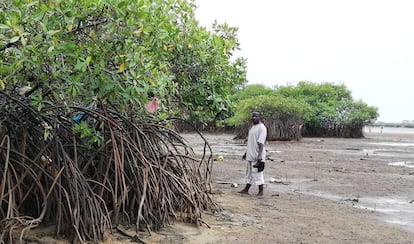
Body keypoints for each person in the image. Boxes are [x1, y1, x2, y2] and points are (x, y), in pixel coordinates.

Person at [238, 111, 267, 196]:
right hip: (250, 154)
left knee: (257, 173)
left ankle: (260, 192)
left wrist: (260, 156)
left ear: (260, 117)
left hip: (257, 154)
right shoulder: (253, 127)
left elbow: (261, 143)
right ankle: (246, 189)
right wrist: (246, 153)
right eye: (253, 116)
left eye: (256, 116)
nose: (254, 118)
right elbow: (251, 142)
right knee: (249, 173)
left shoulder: (262, 128)